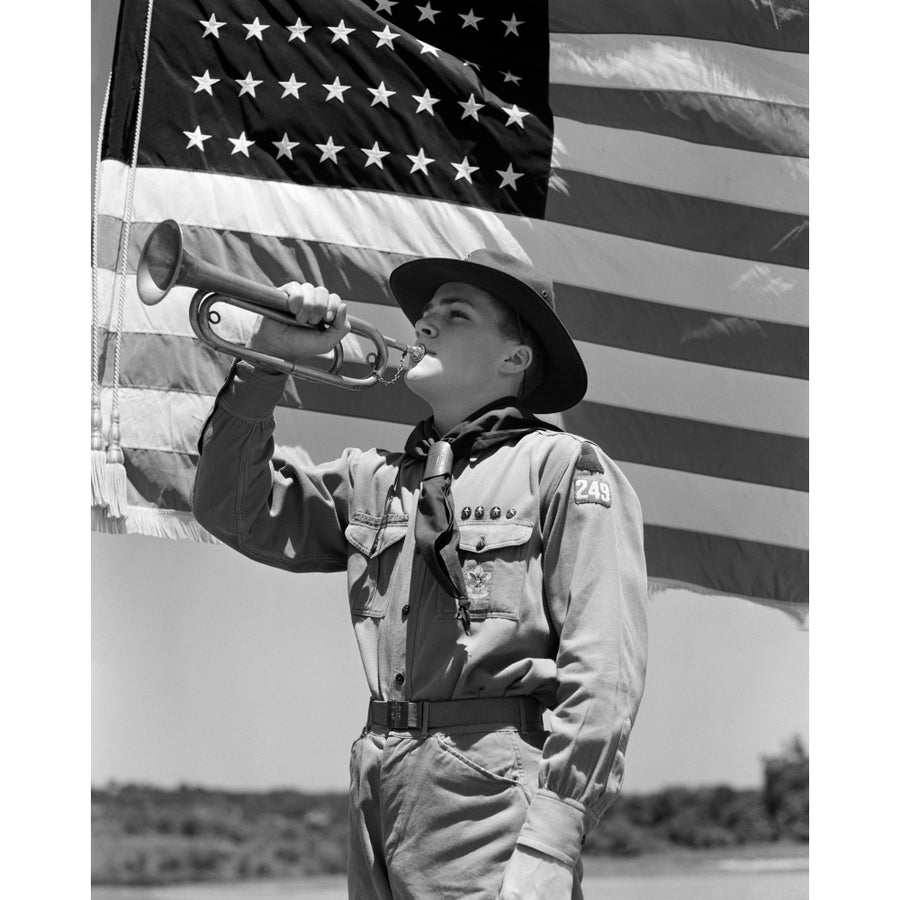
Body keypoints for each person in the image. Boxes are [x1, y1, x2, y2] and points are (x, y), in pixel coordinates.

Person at [191, 249, 649, 900]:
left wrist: (555, 832)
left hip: (490, 787)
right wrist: (268, 356)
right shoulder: (372, 479)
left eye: (454, 314)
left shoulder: (564, 468)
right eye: (425, 315)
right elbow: (231, 509)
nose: (424, 326)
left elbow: (604, 666)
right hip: (377, 778)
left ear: (514, 359)